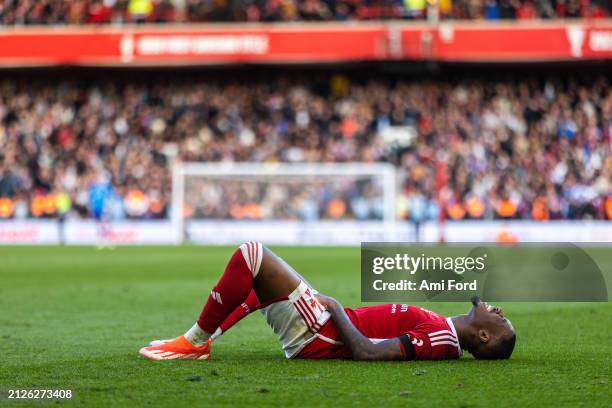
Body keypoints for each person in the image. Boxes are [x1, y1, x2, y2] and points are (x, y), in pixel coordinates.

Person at [139, 242, 516, 361]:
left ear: (483, 337)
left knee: (251, 255)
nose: (500, 311)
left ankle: (193, 340)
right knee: (263, 281)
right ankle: (201, 342)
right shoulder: (444, 330)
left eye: (503, 321)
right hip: (322, 325)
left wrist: (334, 307)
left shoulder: (440, 339)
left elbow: (369, 353)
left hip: (320, 332)